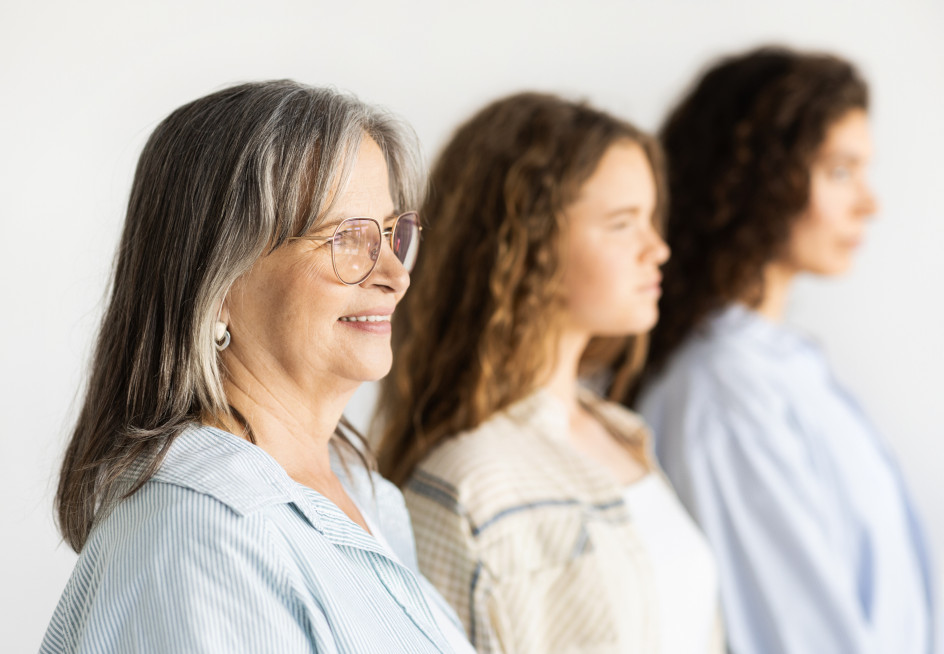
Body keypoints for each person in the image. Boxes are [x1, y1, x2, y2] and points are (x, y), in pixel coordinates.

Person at [41, 80, 474, 654]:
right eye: (346, 237)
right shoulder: (201, 538)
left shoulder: (365, 498)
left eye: (393, 235)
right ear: (217, 286)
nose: (396, 275)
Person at [377, 92, 723, 654]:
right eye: (621, 223)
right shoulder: (467, 483)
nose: (657, 249)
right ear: (527, 243)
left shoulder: (621, 432)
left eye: (652, 220)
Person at [636, 47, 937, 654]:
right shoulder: (723, 391)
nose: (869, 203)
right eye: (840, 172)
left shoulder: (781, 364)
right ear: (759, 178)